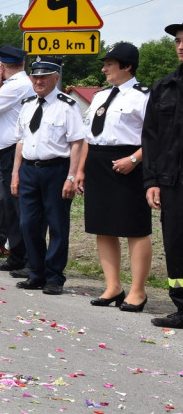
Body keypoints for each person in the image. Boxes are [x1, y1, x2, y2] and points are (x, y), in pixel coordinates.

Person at [75, 42, 151, 311]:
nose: (104, 68)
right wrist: (81, 169)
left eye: (109, 63)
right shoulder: (99, 96)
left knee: (135, 228)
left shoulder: (143, 96)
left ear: (127, 66)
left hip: (128, 162)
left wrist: (134, 159)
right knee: (103, 227)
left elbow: (156, 136)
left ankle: (138, 291)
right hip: (97, 162)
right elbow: (89, 137)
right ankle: (113, 287)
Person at [10, 56, 86, 295]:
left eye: (44, 76)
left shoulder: (68, 105)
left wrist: (71, 177)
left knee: (57, 225)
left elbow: (77, 143)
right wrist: (15, 173)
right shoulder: (28, 105)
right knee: (28, 223)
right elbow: (21, 141)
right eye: (35, 76)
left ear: (56, 77)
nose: (38, 80)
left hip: (57, 170)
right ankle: (36, 272)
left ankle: (54, 277)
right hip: (29, 170)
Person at [143, 22, 183, 327]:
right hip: (172, 183)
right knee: (176, 245)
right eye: (178, 42)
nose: (181, 46)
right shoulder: (163, 87)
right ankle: (182, 308)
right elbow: (151, 138)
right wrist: (152, 181)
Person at [0, 45, 33, 274]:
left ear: (1, 66)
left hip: (16, 151)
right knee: (11, 210)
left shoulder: (17, 86)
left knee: (21, 209)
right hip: (6, 150)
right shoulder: (17, 85)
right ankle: (17, 257)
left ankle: (29, 259)